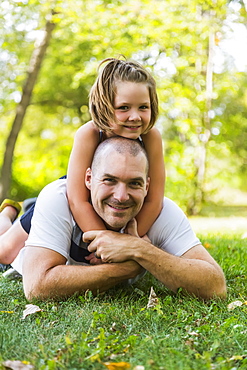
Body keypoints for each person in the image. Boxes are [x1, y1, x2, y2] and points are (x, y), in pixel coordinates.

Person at [7, 137, 226, 301]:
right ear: (89, 178)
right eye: (109, 180)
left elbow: (215, 286)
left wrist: (138, 249)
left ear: (147, 186)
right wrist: (127, 269)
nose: (121, 196)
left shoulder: (163, 211)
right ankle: (9, 212)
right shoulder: (57, 198)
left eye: (134, 183)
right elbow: (37, 288)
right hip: (22, 237)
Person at [66, 57, 165, 238]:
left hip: (115, 203)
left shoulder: (151, 137)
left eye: (143, 107)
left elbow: (154, 200)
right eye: (124, 107)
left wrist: (126, 242)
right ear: (104, 107)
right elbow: (77, 200)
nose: (135, 116)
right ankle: (9, 212)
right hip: (75, 193)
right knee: (6, 250)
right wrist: (104, 242)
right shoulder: (89, 134)